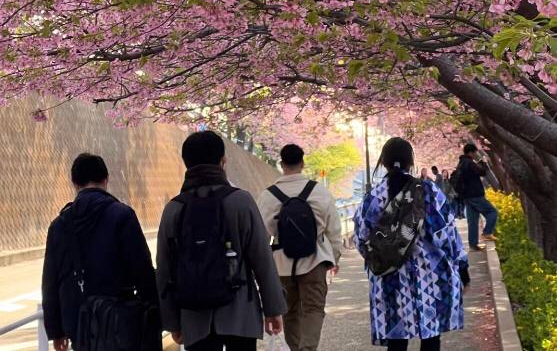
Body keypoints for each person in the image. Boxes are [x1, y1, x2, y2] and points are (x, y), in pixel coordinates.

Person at [157, 130, 286, 351]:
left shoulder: (174, 209)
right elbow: (262, 259)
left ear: (186, 164)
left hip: (194, 315)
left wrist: (172, 321)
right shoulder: (240, 201)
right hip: (240, 312)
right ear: (222, 162)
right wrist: (273, 309)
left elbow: (165, 270)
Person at [355, 137, 469, 350]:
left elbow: (362, 239)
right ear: (411, 162)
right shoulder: (427, 192)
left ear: (384, 162)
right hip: (429, 276)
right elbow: (447, 234)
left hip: (388, 278)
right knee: (431, 336)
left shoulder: (373, 197)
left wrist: (386, 256)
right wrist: (462, 266)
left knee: (396, 340)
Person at [42, 153, 159, 351]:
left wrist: (56, 330)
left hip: (79, 323)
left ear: (74, 183)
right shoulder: (122, 215)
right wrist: (156, 312)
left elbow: (51, 281)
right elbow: (142, 270)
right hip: (120, 320)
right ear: (106, 179)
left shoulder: (59, 225)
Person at [258, 143, 343, 351]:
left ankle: (296, 348)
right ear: (302, 163)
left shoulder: (268, 196)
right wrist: (334, 258)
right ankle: (308, 348)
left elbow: (260, 235)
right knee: (313, 309)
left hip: (281, 264)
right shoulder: (319, 192)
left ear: (281, 163)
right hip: (315, 261)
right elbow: (334, 230)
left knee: (289, 312)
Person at [454, 143, 498, 251]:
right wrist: (483, 163)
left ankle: (473, 245)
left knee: (473, 222)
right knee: (492, 212)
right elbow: (482, 172)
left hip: (467, 196)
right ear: (471, 152)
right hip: (475, 195)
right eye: (475, 152)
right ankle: (487, 232)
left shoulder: (460, 163)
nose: (475, 154)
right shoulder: (469, 163)